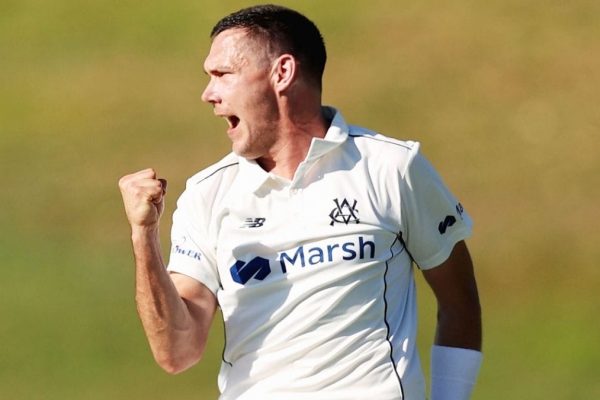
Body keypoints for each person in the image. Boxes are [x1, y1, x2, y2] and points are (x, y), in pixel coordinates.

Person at [118, 4, 482, 400]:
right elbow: (177, 352)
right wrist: (144, 234)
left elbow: (459, 300)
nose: (208, 94)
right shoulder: (207, 194)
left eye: (223, 74)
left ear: (282, 73)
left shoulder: (391, 167)